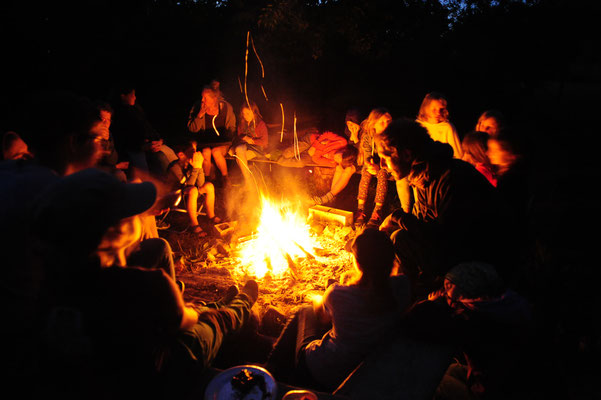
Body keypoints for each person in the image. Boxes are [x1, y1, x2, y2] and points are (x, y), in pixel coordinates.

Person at [30, 168, 259, 399]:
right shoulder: (145, 283)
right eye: (133, 215)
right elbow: (184, 321)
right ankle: (239, 307)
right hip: (157, 377)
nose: (141, 218)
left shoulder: (52, 285)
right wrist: (195, 313)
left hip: (106, 377)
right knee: (206, 325)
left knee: (194, 311)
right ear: (119, 230)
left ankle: (219, 306)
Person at [375, 118, 514, 297]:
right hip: (456, 250)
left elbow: (444, 237)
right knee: (398, 237)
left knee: (400, 239)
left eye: (385, 158)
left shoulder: (452, 178)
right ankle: (409, 289)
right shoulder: (426, 174)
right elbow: (426, 223)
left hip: (484, 263)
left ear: (407, 155)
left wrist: (397, 218)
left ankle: (411, 297)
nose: (382, 165)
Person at [265, 227, 411, 392]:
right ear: (392, 260)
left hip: (320, 371)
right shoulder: (402, 287)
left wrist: (318, 300)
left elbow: (322, 318)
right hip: (362, 370)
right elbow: (387, 280)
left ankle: (270, 369)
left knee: (304, 311)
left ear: (356, 263)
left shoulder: (338, 294)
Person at [422, 262, 534, 400]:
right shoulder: (509, 303)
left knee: (433, 380)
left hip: (490, 391)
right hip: (515, 379)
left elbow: (434, 333)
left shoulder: (471, 322)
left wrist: (431, 305)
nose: (445, 295)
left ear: (467, 298)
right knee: (452, 370)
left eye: (449, 294)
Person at [110, 84, 178, 181]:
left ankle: (168, 185)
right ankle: (146, 188)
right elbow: (125, 140)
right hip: (134, 149)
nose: (135, 97)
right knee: (142, 165)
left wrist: (159, 140)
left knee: (162, 157)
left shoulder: (136, 110)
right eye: (132, 95)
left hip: (147, 145)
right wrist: (143, 146)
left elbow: (148, 127)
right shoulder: (119, 115)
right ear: (123, 96)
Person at [165, 139, 220, 237]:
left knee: (209, 186)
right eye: (192, 151)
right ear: (181, 154)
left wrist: (199, 168)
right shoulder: (175, 167)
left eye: (195, 150)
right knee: (193, 190)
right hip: (175, 195)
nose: (196, 154)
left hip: (188, 192)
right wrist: (196, 168)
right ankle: (194, 224)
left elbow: (201, 183)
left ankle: (211, 215)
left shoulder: (192, 163)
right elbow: (187, 185)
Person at [186, 80, 236, 186]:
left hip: (222, 143)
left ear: (214, 99)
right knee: (206, 152)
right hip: (205, 143)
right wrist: (199, 115)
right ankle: (207, 180)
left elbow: (232, 127)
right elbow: (192, 128)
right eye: (202, 97)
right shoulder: (198, 107)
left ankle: (225, 178)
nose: (202, 100)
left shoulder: (226, 107)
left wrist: (227, 137)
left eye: (205, 98)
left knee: (216, 152)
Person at [355, 108, 392, 227]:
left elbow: (392, 160)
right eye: (382, 122)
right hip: (374, 165)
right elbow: (367, 154)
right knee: (365, 172)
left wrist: (379, 167)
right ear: (374, 124)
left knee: (381, 174)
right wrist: (370, 164)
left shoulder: (392, 137)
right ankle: (360, 210)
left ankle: (377, 211)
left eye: (388, 122)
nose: (386, 125)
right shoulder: (368, 136)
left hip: (389, 168)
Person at [229, 100, 269, 189]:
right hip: (245, 146)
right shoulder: (242, 123)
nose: (245, 116)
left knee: (239, 158)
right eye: (243, 113)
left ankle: (248, 180)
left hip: (257, 148)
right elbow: (240, 136)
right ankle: (249, 179)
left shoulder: (260, 124)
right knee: (239, 151)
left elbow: (265, 142)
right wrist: (244, 138)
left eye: (248, 113)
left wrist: (252, 140)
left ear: (254, 112)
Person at [416, 92, 463, 159]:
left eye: (441, 109)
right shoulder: (418, 126)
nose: (438, 113)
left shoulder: (447, 128)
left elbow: (458, 155)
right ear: (426, 108)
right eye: (434, 109)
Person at [95, 101, 129, 182]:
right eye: (102, 119)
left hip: (107, 169)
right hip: (93, 174)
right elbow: (89, 166)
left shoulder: (108, 134)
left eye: (108, 120)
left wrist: (106, 142)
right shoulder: (89, 136)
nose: (106, 123)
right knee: (119, 175)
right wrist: (116, 167)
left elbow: (112, 160)